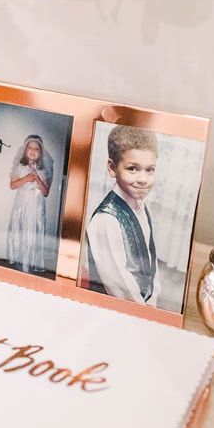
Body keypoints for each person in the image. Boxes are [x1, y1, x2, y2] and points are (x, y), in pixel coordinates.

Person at [82, 125, 161, 306]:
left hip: (144, 306)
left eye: (150, 170)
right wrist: (145, 312)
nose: (143, 179)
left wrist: (153, 300)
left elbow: (151, 260)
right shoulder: (107, 219)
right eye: (132, 169)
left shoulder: (141, 206)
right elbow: (119, 287)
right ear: (112, 168)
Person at [6, 135, 53, 274]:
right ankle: (20, 263)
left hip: (36, 207)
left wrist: (37, 178)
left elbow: (45, 193)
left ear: (41, 152)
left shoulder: (43, 170)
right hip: (22, 204)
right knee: (20, 231)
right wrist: (26, 179)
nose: (33, 150)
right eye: (30, 148)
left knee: (33, 233)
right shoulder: (19, 167)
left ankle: (30, 264)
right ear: (25, 150)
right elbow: (13, 185)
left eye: (36, 149)